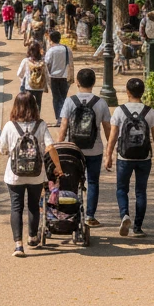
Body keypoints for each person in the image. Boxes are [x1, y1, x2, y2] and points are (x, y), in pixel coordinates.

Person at [0, 92, 63, 256]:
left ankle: (18, 245)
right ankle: (32, 237)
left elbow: (2, 149)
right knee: (34, 205)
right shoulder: (40, 125)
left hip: (14, 174)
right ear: (34, 106)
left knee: (16, 206)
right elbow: (50, 147)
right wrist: (58, 167)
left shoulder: (10, 126)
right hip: (36, 173)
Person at [105, 77, 154, 237]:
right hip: (144, 158)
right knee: (141, 191)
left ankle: (124, 215)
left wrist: (108, 155)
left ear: (127, 92)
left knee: (122, 189)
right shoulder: (149, 112)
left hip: (124, 157)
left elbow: (113, 136)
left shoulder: (119, 111)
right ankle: (138, 227)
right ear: (142, 92)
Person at [58, 67, 111, 227]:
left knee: (71, 181)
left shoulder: (70, 101)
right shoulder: (101, 103)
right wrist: (110, 150)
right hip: (95, 149)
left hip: (73, 150)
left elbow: (63, 127)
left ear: (77, 82)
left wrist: (59, 147)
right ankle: (90, 216)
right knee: (93, 182)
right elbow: (108, 128)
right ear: (94, 83)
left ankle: (71, 214)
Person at [44, 29, 74, 124]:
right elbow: (71, 63)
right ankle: (64, 117)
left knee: (56, 98)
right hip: (65, 77)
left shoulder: (51, 51)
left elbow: (46, 64)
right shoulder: (67, 49)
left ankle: (60, 118)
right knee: (63, 97)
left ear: (50, 39)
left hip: (53, 77)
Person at [16, 41, 49, 114]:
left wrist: (23, 80)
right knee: (38, 103)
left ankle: (28, 117)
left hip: (29, 86)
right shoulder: (43, 62)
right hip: (40, 86)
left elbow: (19, 73)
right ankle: (37, 118)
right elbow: (46, 74)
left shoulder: (26, 61)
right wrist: (46, 85)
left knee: (28, 103)